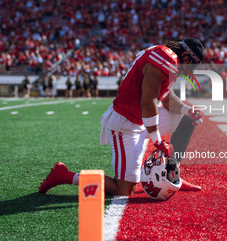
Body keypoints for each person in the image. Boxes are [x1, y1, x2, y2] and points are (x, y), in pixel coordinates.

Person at [39, 39, 205, 196]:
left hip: (141, 118)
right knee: (124, 189)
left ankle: (172, 171)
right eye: (194, 65)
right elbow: (148, 102)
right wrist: (158, 140)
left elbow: (166, 98)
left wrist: (186, 110)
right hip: (126, 123)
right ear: (186, 57)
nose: (193, 70)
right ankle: (65, 175)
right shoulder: (166, 58)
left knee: (187, 119)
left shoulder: (168, 59)